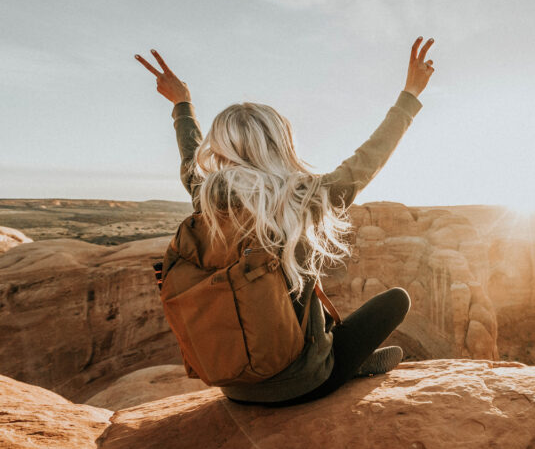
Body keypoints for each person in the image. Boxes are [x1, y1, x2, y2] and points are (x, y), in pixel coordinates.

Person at [135, 37, 435, 406]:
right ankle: (344, 364)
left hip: (234, 387)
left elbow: (188, 155)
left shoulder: (206, 197)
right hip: (302, 385)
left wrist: (183, 104)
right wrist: (411, 93)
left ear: (221, 146)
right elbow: (367, 160)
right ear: (281, 142)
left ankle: (342, 358)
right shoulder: (304, 198)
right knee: (395, 301)